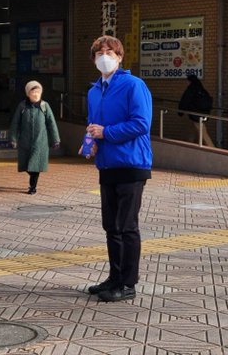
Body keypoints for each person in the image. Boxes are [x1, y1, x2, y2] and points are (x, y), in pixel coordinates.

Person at [79, 35, 153, 303]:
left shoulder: (134, 85)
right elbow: (93, 124)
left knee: (126, 226)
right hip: (107, 163)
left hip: (132, 163)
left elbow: (141, 124)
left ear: (120, 57)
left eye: (110, 51)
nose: (104, 56)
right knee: (111, 226)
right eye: (99, 52)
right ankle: (115, 277)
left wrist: (106, 132)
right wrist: (90, 142)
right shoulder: (94, 89)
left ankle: (128, 283)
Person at [9, 80, 60, 194]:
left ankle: (33, 187)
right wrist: (13, 138)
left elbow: (51, 123)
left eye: (38, 92)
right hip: (25, 142)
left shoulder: (44, 106)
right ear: (28, 93)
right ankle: (33, 182)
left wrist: (55, 139)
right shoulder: (22, 106)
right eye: (33, 92)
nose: (36, 94)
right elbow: (15, 123)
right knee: (27, 165)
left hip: (40, 142)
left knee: (35, 166)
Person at [177, 74, 215, 147]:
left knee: (203, 132)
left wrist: (180, 112)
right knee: (191, 130)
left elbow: (185, 100)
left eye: (187, 81)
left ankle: (213, 148)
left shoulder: (191, 89)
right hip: (202, 114)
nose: (187, 83)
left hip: (195, 114)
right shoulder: (201, 89)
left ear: (190, 81)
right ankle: (188, 144)